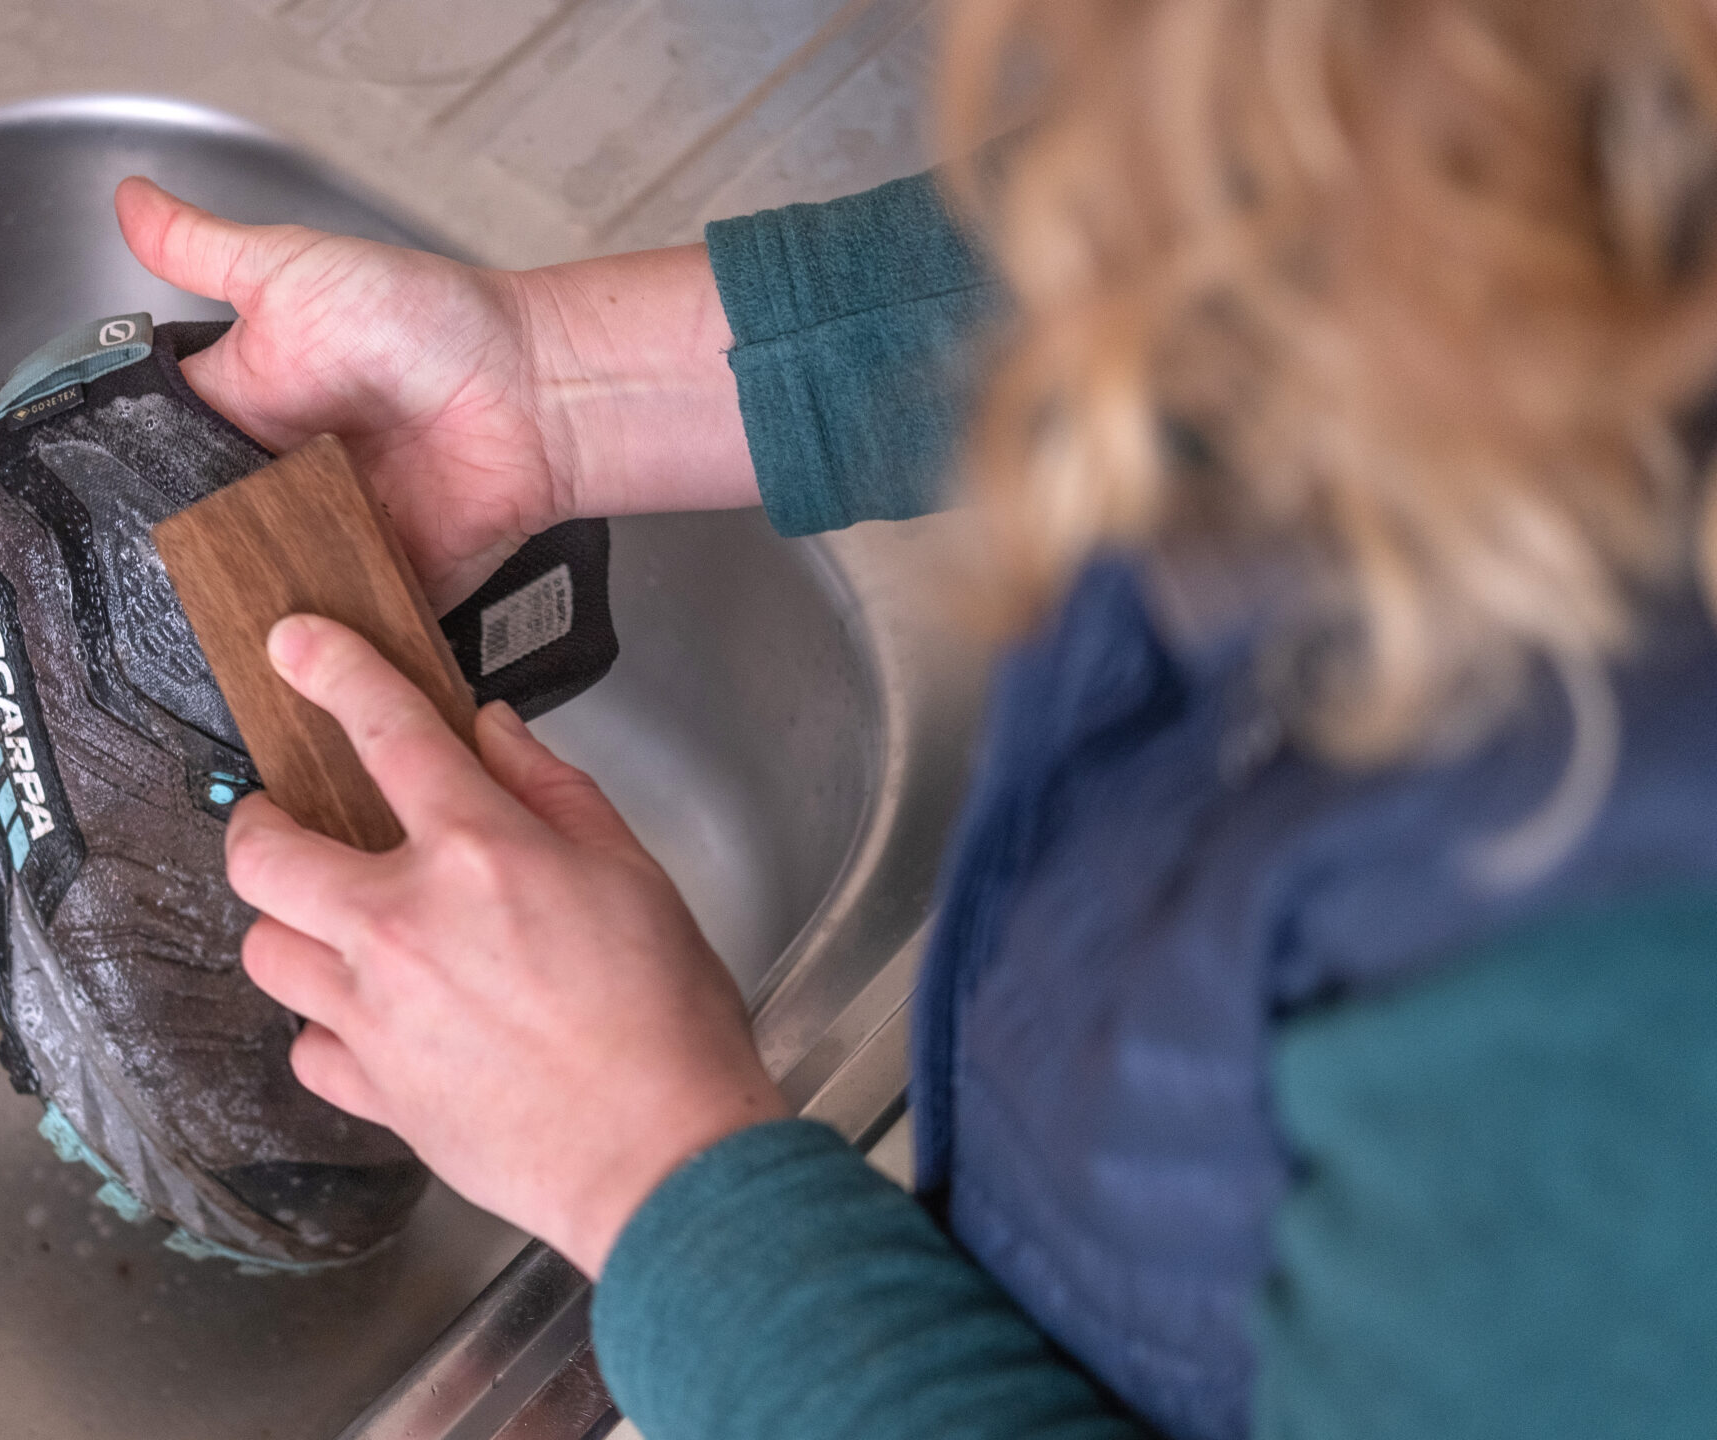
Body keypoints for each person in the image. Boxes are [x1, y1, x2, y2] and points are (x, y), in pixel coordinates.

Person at [110, 0, 1717, 1434]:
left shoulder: (1640, 984)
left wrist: (647, 1164)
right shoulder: (1601, 127)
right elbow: (1359, 217)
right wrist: (551, 383)